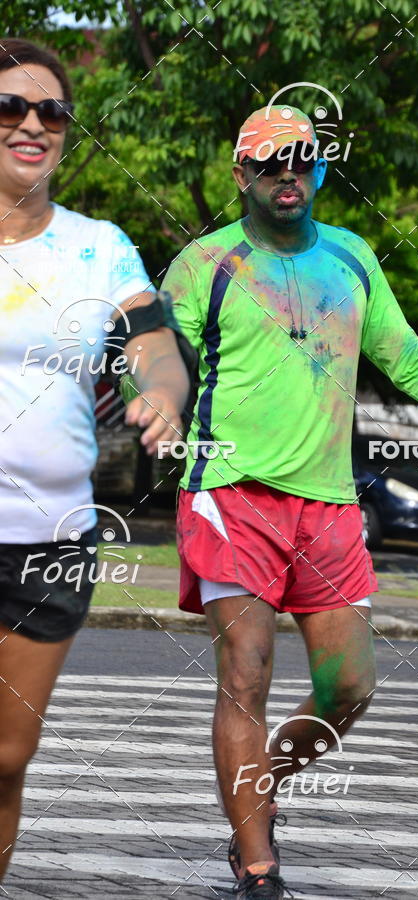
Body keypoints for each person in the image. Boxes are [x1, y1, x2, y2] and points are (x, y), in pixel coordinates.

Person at [162, 105, 418, 899]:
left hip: (330, 508)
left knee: (352, 687)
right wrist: (153, 399)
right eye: (271, 164)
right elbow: (152, 357)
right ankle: (258, 863)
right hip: (229, 495)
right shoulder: (203, 265)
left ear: (319, 172)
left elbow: (404, 357)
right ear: (242, 176)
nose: (288, 175)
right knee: (247, 674)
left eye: (302, 161)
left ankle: (256, 789)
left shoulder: (352, 258)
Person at [0, 39, 189, 880]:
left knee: (6, 755)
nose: (31, 125)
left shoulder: (98, 246)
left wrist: (161, 393)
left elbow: (151, 341)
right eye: (10, 108)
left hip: (49, 536)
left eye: (52, 112)